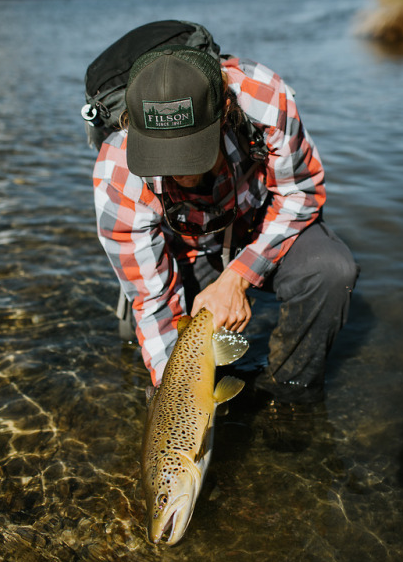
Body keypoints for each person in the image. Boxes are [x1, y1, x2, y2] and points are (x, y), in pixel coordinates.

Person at [92, 36, 359, 404]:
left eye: (190, 154)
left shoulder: (263, 98)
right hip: (185, 249)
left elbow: (302, 193)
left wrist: (238, 278)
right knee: (140, 336)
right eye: (161, 156)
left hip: (259, 228)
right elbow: (153, 301)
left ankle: (289, 401)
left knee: (330, 271)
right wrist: (179, 400)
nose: (178, 173)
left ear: (224, 113)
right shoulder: (117, 171)